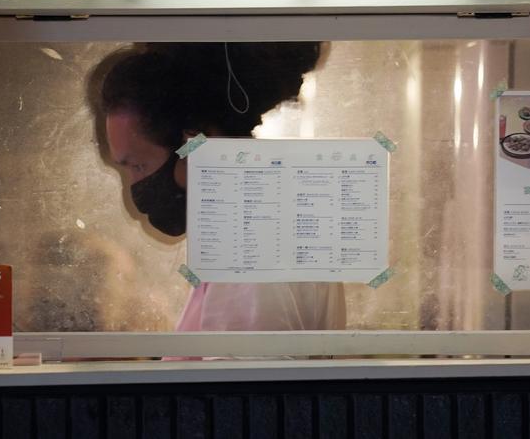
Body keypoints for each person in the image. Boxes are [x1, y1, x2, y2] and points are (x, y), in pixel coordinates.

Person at [87, 42, 346, 332]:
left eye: (138, 166)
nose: (135, 190)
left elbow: (240, 375)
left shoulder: (249, 245)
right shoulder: (262, 220)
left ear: (193, 143)